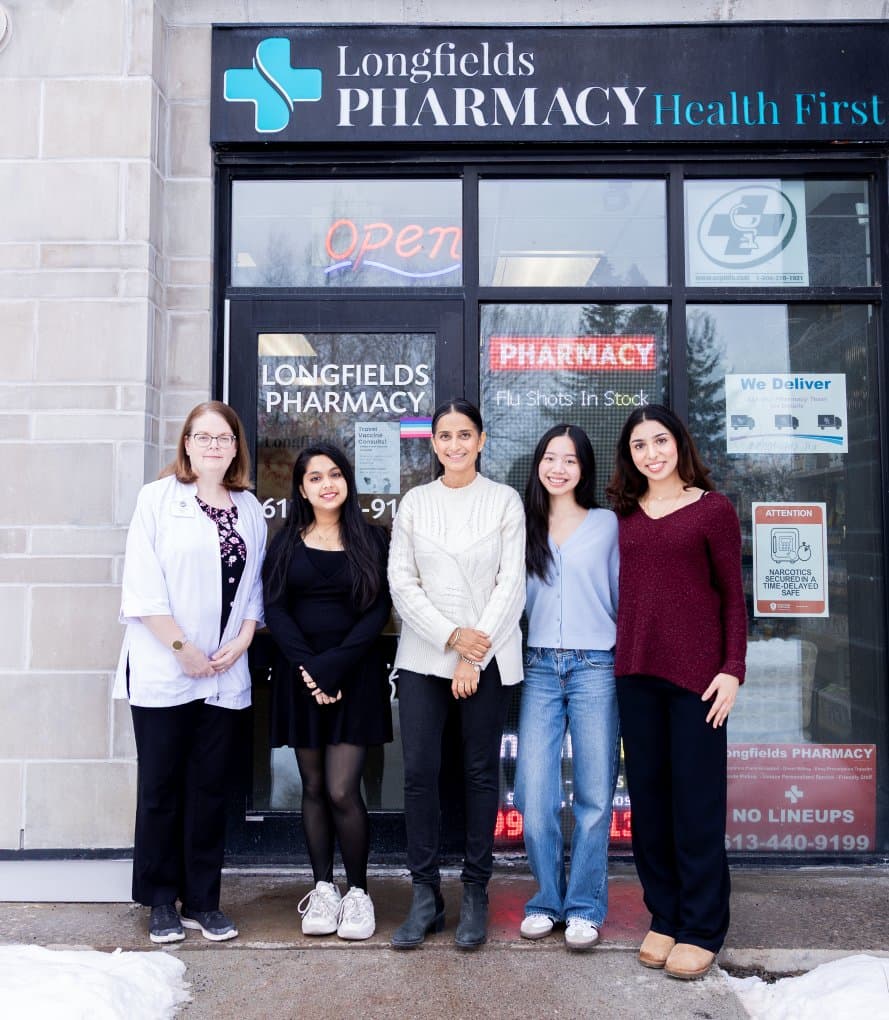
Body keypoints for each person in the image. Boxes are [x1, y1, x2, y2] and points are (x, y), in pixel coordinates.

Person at [114, 400, 267, 944]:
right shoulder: (156, 500)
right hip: (164, 666)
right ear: (186, 444)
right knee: (161, 786)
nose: (212, 447)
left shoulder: (249, 508)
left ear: (235, 447)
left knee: (209, 788)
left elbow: (254, 591)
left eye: (223, 438)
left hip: (225, 670)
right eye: (202, 437)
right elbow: (141, 586)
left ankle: (203, 900)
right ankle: (160, 899)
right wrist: (182, 647)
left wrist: (243, 640)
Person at [606, 404, 746, 980]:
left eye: (659, 441)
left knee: (697, 807)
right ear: (630, 456)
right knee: (652, 807)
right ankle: (664, 916)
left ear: (679, 444)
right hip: (636, 677)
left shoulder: (713, 511)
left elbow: (734, 598)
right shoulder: (622, 517)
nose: (651, 453)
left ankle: (701, 926)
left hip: (698, 682)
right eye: (639, 446)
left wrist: (732, 669)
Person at [387, 399, 526, 950]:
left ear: (482, 440)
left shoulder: (504, 502)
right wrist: (449, 639)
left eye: (464, 434)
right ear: (434, 443)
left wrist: (472, 655)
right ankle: (425, 896)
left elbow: (510, 585)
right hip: (424, 659)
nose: (454, 444)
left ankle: (475, 892)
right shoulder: (416, 503)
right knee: (420, 774)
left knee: (477, 776)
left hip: (486, 662)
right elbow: (402, 583)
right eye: (444, 436)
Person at [263, 443, 391, 941]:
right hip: (301, 678)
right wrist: (310, 669)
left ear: (347, 482)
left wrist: (334, 667)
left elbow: (378, 610)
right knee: (313, 788)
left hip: (354, 676)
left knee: (342, 789)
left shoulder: (372, 539)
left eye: (334, 474)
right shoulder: (286, 541)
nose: (326, 484)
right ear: (301, 488)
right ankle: (322, 888)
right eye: (314, 477)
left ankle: (358, 893)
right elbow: (274, 608)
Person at [514, 424, 620, 951]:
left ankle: (584, 907)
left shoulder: (607, 525)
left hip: (595, 664)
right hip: (538, 667)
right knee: (534, 794)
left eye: (571, 460)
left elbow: (625, 596)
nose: (559, 467)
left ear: (584, 469)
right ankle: (546, 899)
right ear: (539, 463)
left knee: (596, 795)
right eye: (551, 457)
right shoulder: (522, 523)